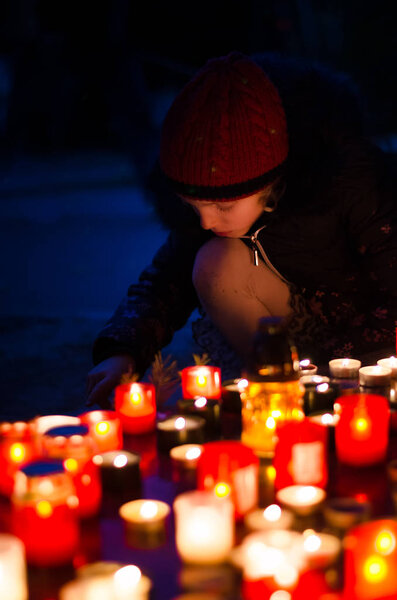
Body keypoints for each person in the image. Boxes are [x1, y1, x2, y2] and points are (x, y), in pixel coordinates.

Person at [86, 52, 397, 407]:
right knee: (212, 261)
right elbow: (164, 283)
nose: (206, 221)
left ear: (271, 182)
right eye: (193, 206)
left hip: (371, 331)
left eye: (223, 206)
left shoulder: (350, 183)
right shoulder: (210, 212)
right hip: (289, 335)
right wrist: (121, 352)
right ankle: (276, 390)